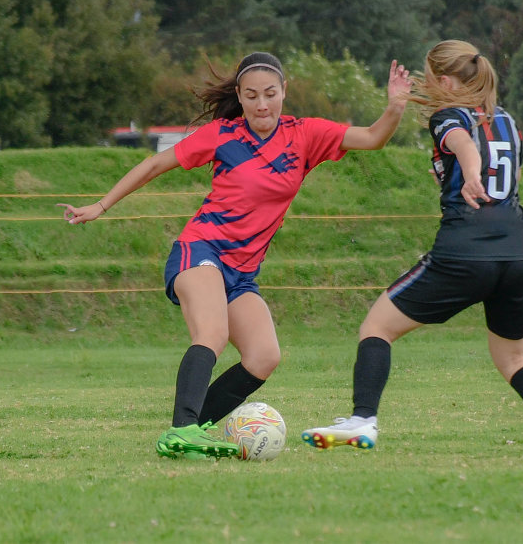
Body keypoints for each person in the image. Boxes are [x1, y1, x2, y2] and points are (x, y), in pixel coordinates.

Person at [59, 52, 411, 459]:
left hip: (241, 273)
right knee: (212, 333)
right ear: (240, 98)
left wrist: (395, 107)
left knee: (264, 356)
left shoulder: (306, 134)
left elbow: (372, 138)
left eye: (270, 94)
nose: (262, 104)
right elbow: (156, 163)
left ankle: (197, 429)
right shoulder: (222, 134)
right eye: (251, 96)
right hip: (200, 251)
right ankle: (182, 430)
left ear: (284, 92)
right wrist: (100, 206)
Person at [300, 40, 523, 464]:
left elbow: (464, 146)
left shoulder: (447, 117)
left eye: (431, 78)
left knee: (377, 327)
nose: (427, 86)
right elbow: (514, 180)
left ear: (448, 81)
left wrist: (471, 176)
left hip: (465, 249)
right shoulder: (507, 120)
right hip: (519, 253)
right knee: (513, 357)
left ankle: (363, 420)